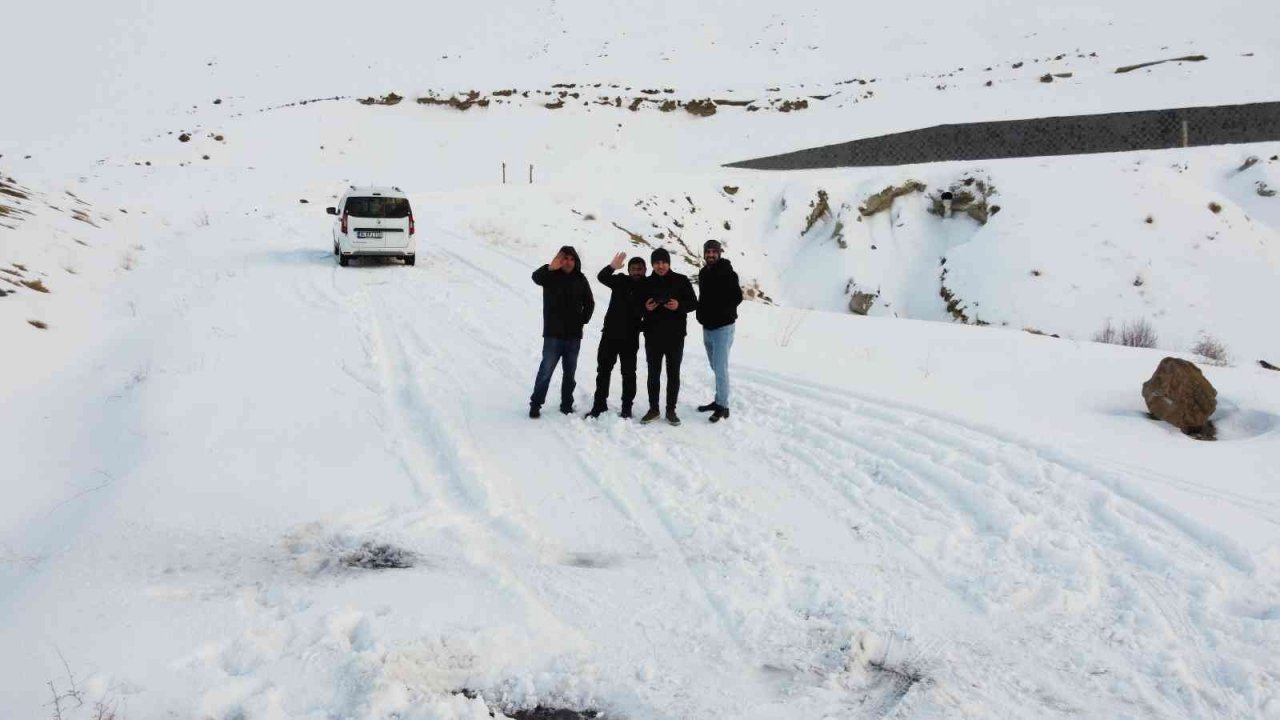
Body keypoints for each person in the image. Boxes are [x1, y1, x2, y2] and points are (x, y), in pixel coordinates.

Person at [529, 246, 594, 418]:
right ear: (559, 259)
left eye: (572, 259)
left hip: (573, 336)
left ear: (576, 261)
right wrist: (550, 267)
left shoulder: (581, 279)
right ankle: (535, 404)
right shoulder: (550, 276)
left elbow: (590, 303)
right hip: (553, 335)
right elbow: (535, 277)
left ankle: (566, 404)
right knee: (546, 371)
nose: (568, 262)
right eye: (565, 258)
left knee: (569, 373)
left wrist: (582, 320)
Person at [640, 248, 698, 426]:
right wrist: (646, 308)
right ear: (652, 265)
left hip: (675, 336)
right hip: (653, 335)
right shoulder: (646, 283)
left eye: (664, 262)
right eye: (657, 262)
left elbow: (693, 303)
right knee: (653, 373)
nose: (661, 266)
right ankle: (653, 409)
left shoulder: (680, 280)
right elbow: (636, 306)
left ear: (669, 263)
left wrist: (679, 306)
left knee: (673, 374)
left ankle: (671, 410)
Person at [587, 252, 647, 419]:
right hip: (609, 335)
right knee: (603, 371)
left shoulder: (648, 287)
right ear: (628, 270)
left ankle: (626, 408)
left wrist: (640, 326)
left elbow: (653, 313)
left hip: (630, 338)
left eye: (640, 269)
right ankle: (599, 406)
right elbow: (602, 277)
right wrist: (612, 267)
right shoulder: (620, 280)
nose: (636, 272)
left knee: (628, 373)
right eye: (633, 269)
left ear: (645, 270)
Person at [695, 240, 743, 423]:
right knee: (715, 366)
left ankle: (723, 406)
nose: (711, 255)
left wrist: (721, 312)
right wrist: (702, 313)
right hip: (707, 327)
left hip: (723, 328)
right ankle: (718, 400)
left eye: (714, 252)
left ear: (719, 253)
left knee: (721, 368)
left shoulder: (728, 273)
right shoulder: (703, 273)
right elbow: (704, 297)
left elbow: (737, 297)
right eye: (708, 252)